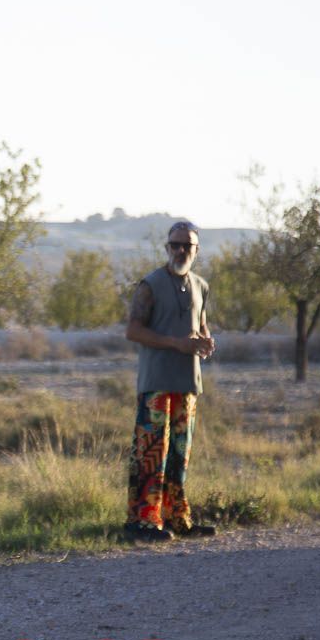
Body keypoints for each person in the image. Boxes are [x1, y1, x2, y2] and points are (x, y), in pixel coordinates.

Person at [123, 220, 218, 543]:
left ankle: (177, 517)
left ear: (196, 250)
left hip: (188, 382)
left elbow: (200, 325)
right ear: (167, 248)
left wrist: (205, 341)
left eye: (186, 246)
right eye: (174, 245)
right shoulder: (149, 284)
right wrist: (176, 343)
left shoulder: (200, 286)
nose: (180, 251)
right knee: (152, 452)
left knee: (180, 453)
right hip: (156, 383)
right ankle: (142, 521)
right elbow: (133, 331)